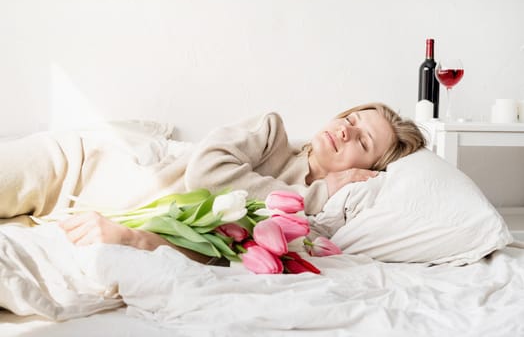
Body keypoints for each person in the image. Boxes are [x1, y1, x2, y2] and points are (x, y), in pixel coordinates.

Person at [0, 103, 426, 264]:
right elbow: (208, 175)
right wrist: (318, 192)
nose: (345, 130)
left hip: (78, 214)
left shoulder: (301, 225)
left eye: (363, 139)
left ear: (366, 170)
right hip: (75, 166)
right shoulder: (270, 132)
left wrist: (136, 239)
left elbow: (214, 244)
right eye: (350, 118)